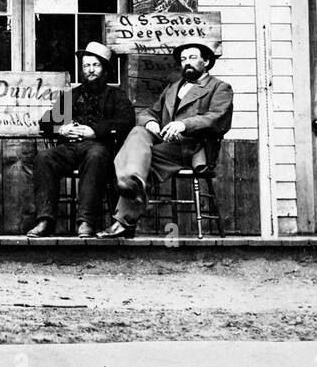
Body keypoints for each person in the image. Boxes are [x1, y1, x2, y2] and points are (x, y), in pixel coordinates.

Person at [98, 42, 234, 239]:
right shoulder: (173, 88)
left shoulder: (219, 88)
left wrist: (185, 125)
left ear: (206, 61)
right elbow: (150, 111)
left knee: (142, 159)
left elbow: (217, 118)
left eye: (192, 58)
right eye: (183, 59)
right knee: (138, 131)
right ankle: (130, 181)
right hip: (167, 145)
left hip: (194, 147)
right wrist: (151, 121)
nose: (187, 63)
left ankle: (125, 214)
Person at [26, 40, 135, 239]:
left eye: (95, 65)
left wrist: (94, 131)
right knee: (44, 157)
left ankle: (85, 221)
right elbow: (45, 123)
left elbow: (125, 123)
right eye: (86, 66)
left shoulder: (116, 96)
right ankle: (45, 220)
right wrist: (63, 129)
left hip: (102, 149)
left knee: (95, 155)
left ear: (104, 69)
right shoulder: (72, 96)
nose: (90, 70)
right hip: (71, 148)